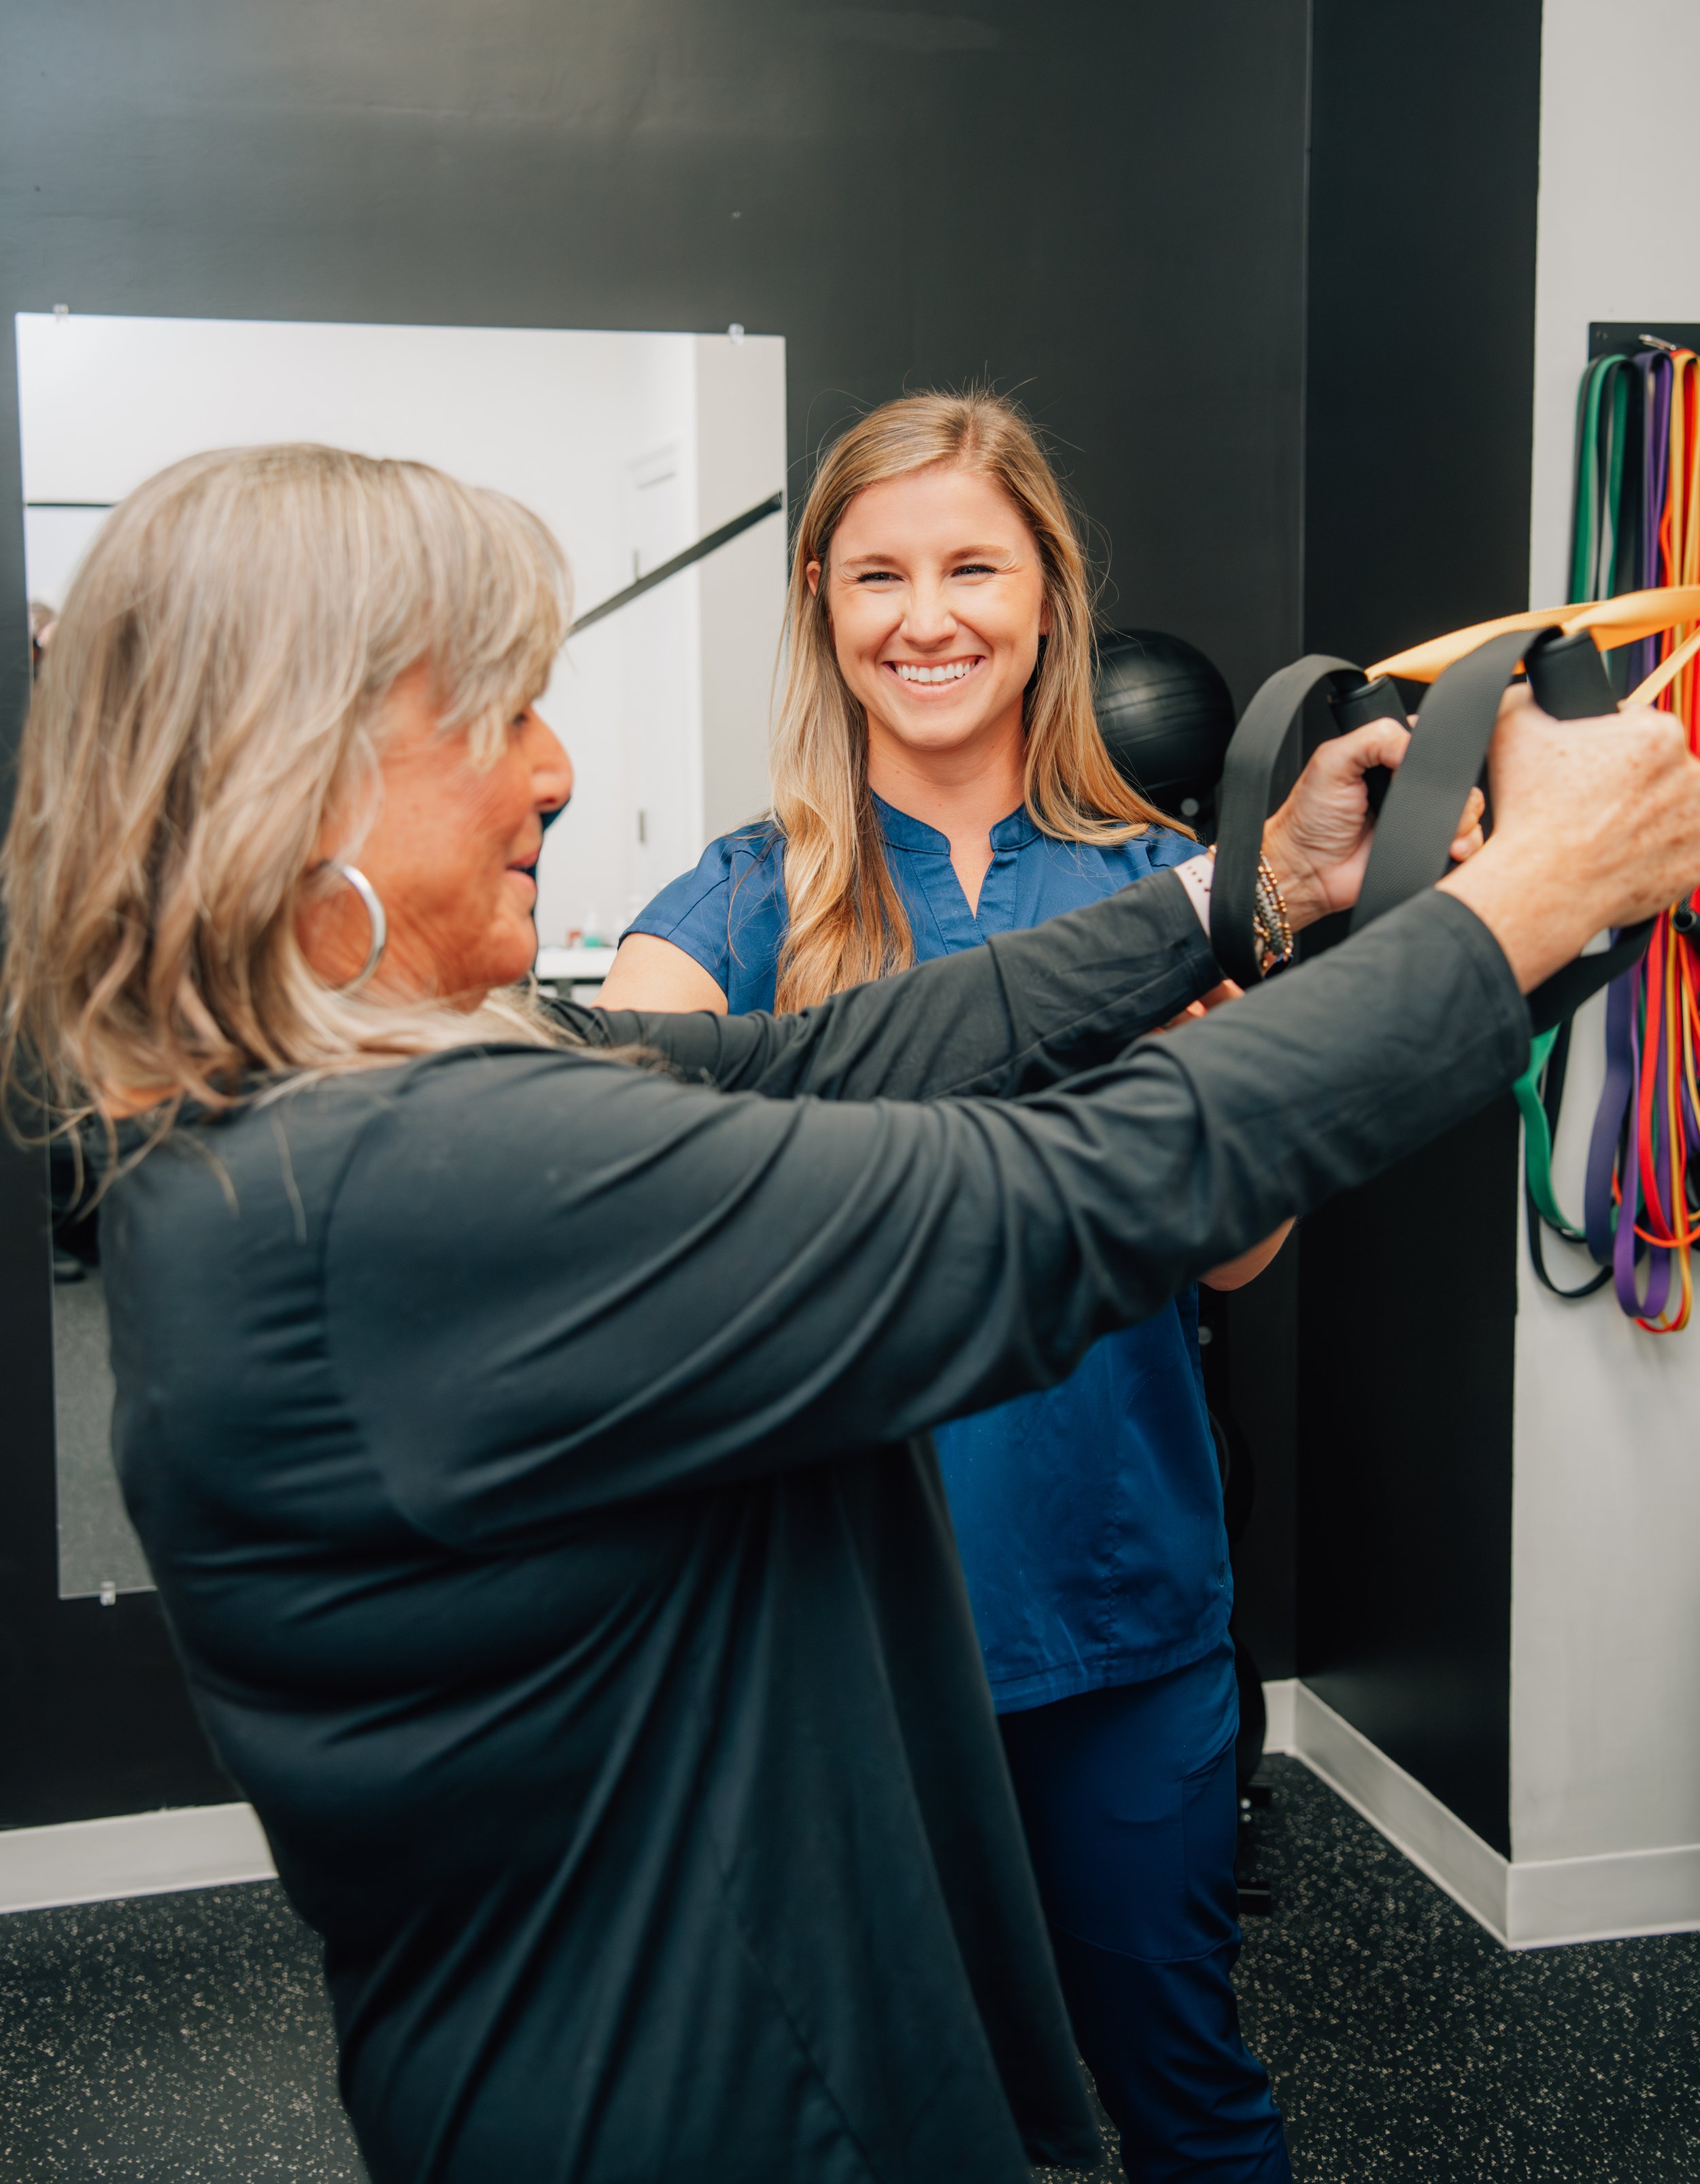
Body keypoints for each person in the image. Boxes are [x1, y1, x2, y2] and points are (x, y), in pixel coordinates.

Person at [3, 442, 1693, 2184]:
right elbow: (1049, 1197)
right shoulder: (399, 1176)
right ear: (305, 772)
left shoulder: (343, 1104)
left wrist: (1245, 890)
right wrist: (1531, 902)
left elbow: (824, 1057)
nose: (556, 770)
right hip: (676, 2101)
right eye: (500, 711)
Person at [598, 392, 1486, 2181]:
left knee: (1184, 2089)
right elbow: (620, 1196)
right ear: (821, 603)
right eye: (879, 574)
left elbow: (1236, 1251)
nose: (925, 617)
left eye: (970, 566)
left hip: (1115, 1612)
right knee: (883, 2115)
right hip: (838, 1647)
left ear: (1048, 595)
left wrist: (1218, 1051)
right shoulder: (743, 898)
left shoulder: (1177, 888)